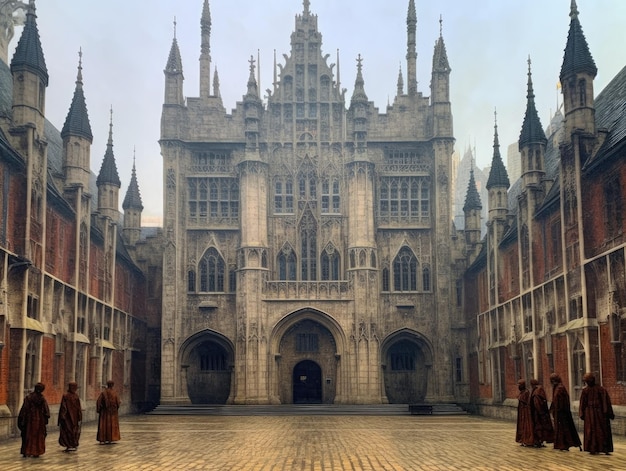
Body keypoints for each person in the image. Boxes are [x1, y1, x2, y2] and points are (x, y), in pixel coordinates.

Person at [579, 372, 614, 455]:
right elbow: (582, 403)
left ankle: (603, 448)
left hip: (599, 414)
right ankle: (593, 448)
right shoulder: (585, 391)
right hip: (591, 414)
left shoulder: (601, 390)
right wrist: (582, 413)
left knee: (601, 430)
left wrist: (607, 413)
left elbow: (606, 402)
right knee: (591, 431)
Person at [549, 373, 581, 451]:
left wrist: (560, 410)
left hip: (562, 413)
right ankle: (561, 444)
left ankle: (564, 444)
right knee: (560, 429)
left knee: (564, 429)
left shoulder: (560, 388)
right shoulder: (556, 388)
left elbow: (563, 401)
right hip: (558, 413)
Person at [17, 382, 50, 458]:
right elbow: (46, 412)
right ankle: (36, 451)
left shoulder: (28, 398)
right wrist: (45, 419)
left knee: (27, 435)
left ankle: (26, 451)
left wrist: (21, 419)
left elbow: (24, 410)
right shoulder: (42, 399)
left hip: (29, 421)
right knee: (38, 436)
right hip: (39, 421)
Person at [529, 378, 554, 447]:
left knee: (539, 427)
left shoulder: (536, 391)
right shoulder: (539, 390)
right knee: (540, 427)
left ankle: (539, 441)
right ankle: (539, 440)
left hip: (538, 414)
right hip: (540, 413)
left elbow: (537, 403)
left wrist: (540, 412)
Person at [58, 381, 82, 452]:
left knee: (70, 430)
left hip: (69, 417)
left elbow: (64, 408)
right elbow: (64, 407)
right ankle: (72, 444)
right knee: (71, 431)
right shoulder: (73, 396)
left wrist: (62, 416)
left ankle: (71, 444)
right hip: (70, 417)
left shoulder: (69, 396)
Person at [96, 380, 121, 444]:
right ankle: (111, 438)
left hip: (104, 413)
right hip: (113, 413)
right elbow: (118, 402)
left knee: (104, 425)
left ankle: (103, 438)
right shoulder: (114, 393)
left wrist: (100, 409)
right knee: (112, 425)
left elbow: (99, 402)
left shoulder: (104, 393)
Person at [515, 379, 534, 447]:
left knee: (526, 426)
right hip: (521, 413)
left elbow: (526, 403)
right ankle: (522, 439)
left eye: (519, 384)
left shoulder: (526, 392)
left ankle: (527, 440)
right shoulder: (522, 392)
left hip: (525, 413)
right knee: (521, 427)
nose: (518, 386)